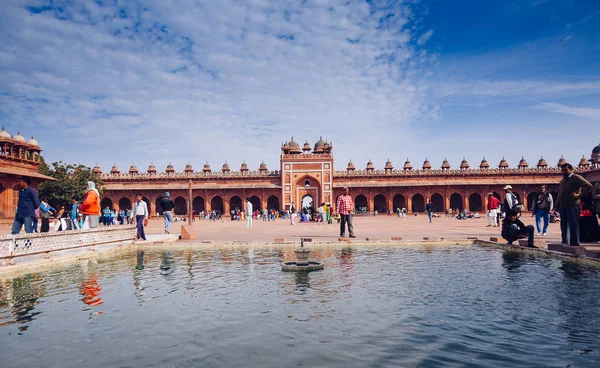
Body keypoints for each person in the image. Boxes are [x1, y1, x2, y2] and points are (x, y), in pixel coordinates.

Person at [556, 163, 592, 246]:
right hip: (563, 205)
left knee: (573, 224)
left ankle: (574, 243)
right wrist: (556, 206)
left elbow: (588, 185)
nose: (563, 172)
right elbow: (560, 193)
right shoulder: (563, 180)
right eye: (562, 170)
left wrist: (579, 195)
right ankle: (565, 241)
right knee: (564, 225)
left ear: (571, 170)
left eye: (565, 170)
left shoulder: (576, 178)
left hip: (573, 204)